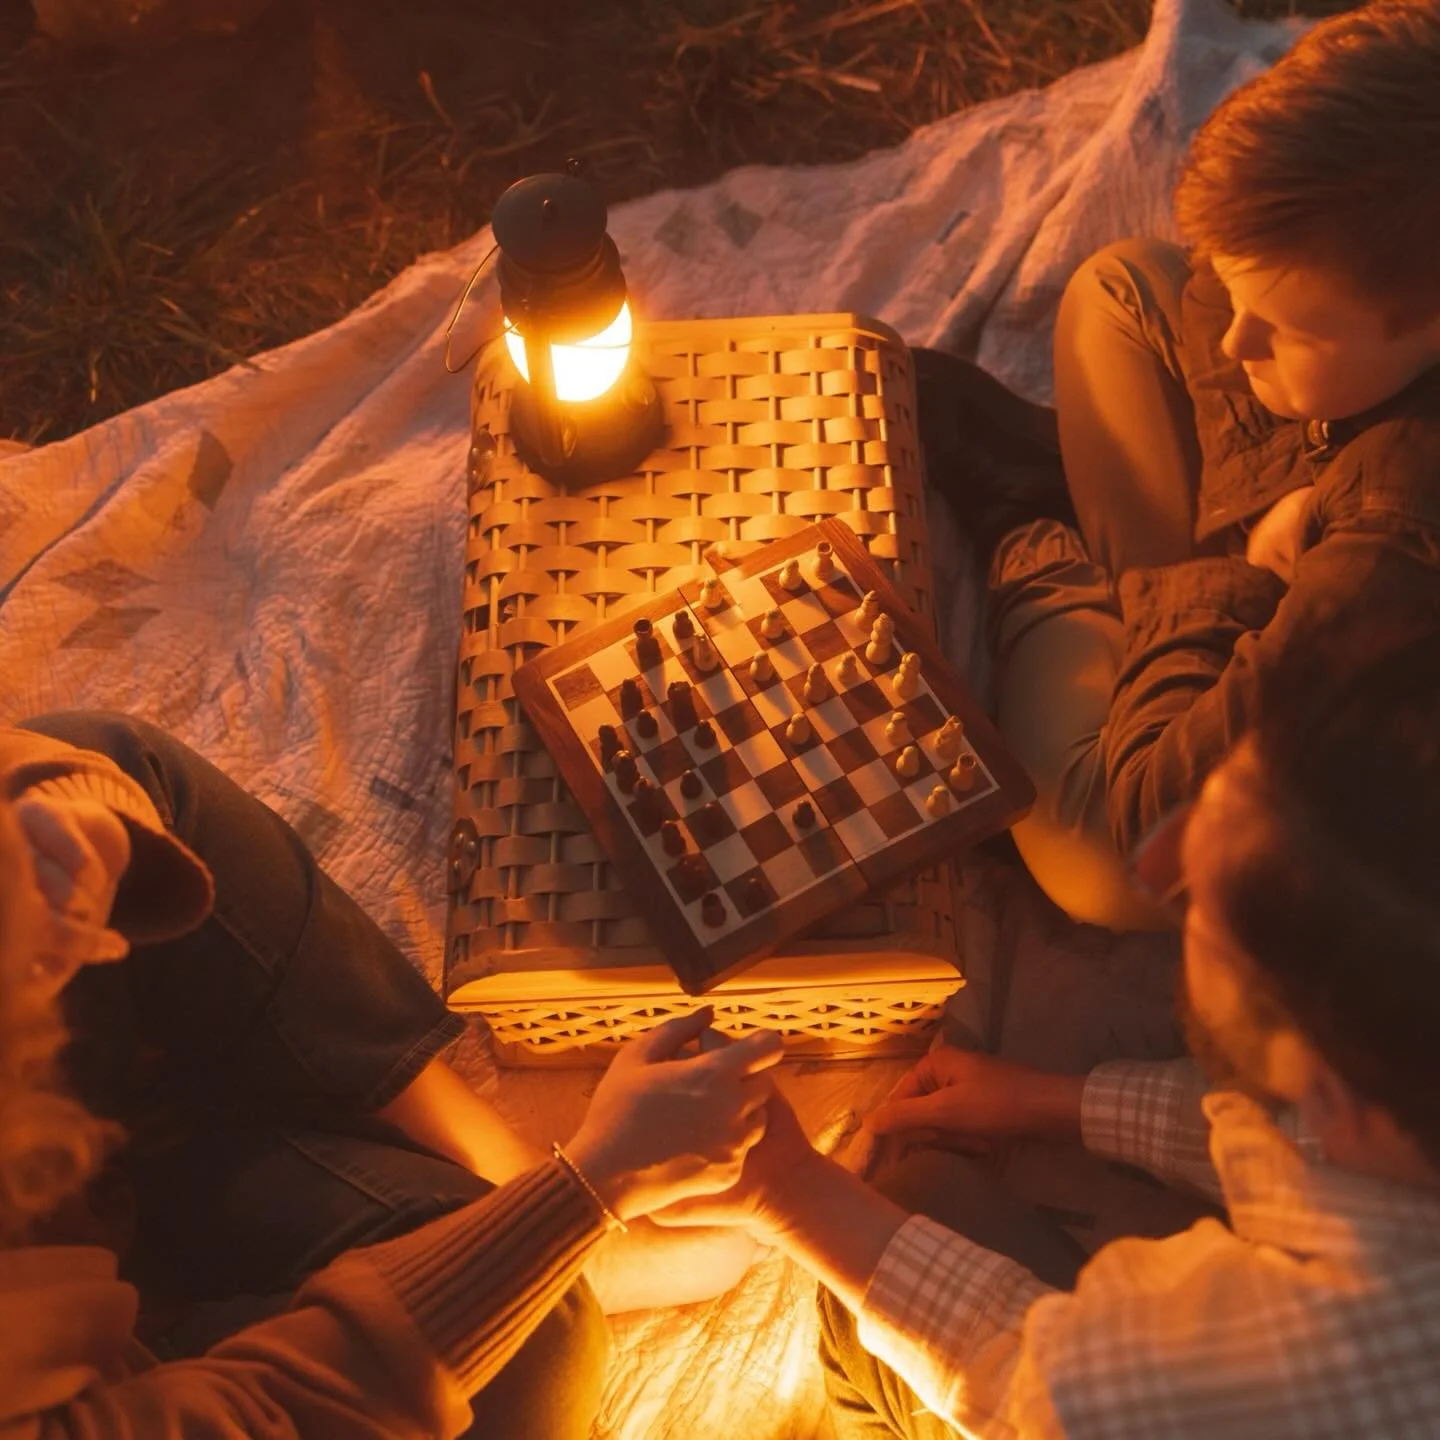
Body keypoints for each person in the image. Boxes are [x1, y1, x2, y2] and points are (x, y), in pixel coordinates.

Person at [654, 624, 1440, 1437]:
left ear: (1329, 1093)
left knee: (871, 1296)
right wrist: (1054, 1102)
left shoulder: (1267, 1380)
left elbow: (1033, 1383)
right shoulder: (1397, 1077)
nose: (1155, 862)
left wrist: (782, 1188)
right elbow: (1285, 1123)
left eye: (1204, 906)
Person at [0, 712, 783, 1437]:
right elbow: (265, 1411)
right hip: (127, 1376)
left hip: (51, 1187)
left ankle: (492, 1184)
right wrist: (584, 1195)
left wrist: (78, 828)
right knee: (540, 1342)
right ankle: (547, 1242)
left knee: (110, 765)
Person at [917, 0, 1440, 927]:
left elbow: (1152, 815)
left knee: (1102, 861)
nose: (1239, 340)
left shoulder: (1391, 554)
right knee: (1121, 288)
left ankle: (1045, 567)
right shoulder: (1376, 250)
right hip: (1334, 483)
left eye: (1285, 326)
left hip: (1371, 756)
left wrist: (1227, 580)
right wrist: (1298, 486)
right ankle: (1144, 574)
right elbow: (1202, 293)